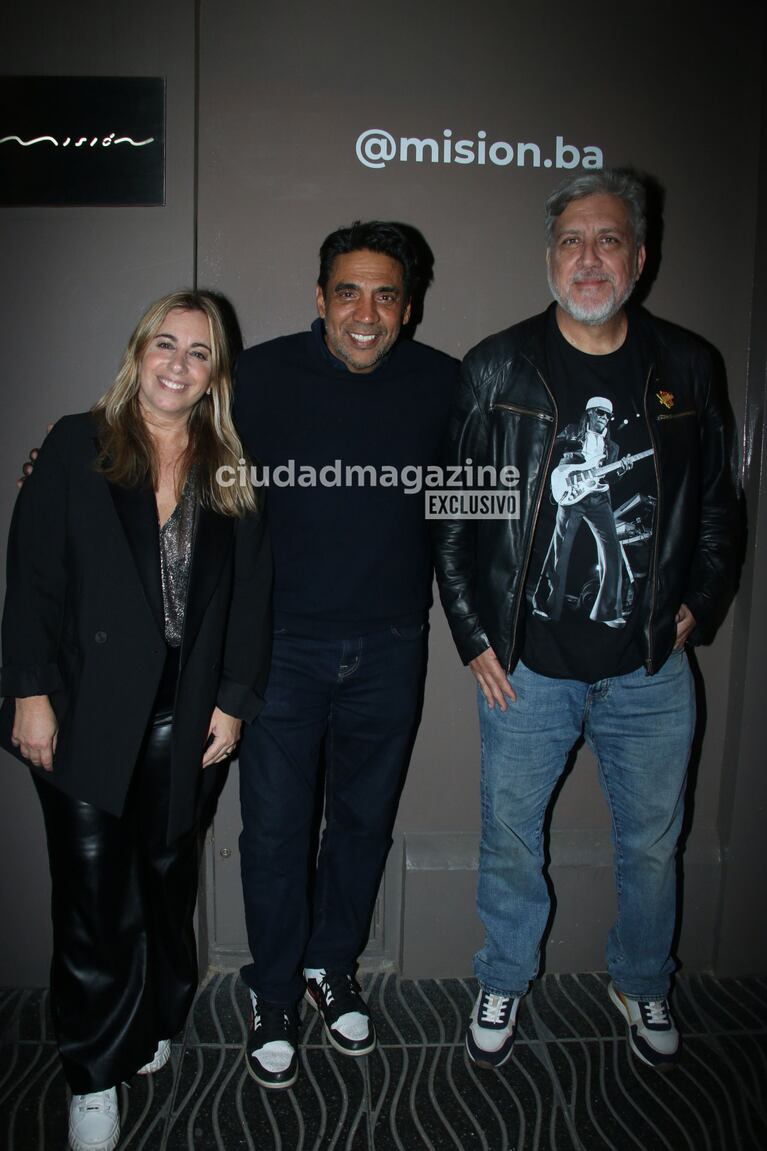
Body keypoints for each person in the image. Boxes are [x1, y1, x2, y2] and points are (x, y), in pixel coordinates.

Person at [433, 170, 735, 1071]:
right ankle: (505, 973)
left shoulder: (686, 364)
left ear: (639, 259)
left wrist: (700, 602)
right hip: (526, 665)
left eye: (609, 240)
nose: (589, 257)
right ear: (549, 256)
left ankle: (642, 980)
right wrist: (474, 635)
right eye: (572, 239)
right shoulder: (495, 364)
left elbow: (718, 504)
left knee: (650, 843)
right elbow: (453, 513)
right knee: (509, 837)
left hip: (649, 667)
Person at [1, 291, 272, 1151]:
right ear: (138, 351)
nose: (177, 363)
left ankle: (158, 1010)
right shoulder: (78, 442)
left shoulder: (228, 461)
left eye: (198, 352)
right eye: (166, 343)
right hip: (82, 713)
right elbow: (33, 574)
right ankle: (92, 1071)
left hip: (185, 717)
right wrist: (30, 692)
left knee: (163, 880)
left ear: (213, 373)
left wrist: (233, 699)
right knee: (92, 898)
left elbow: (251, 597)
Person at [233, 221, 459, 1088]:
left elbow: (472, 498)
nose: (366, 312)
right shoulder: (258, 375)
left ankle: (333, 964)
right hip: (281, 645)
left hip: (392, 642)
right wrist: (74, 461)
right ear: (319, 296)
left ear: (408, 305)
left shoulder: (443, 382)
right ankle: (275, 987)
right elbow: (173, 437)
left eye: (386, 294)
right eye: (348, 291)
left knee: (362, 823)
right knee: (277, 832)